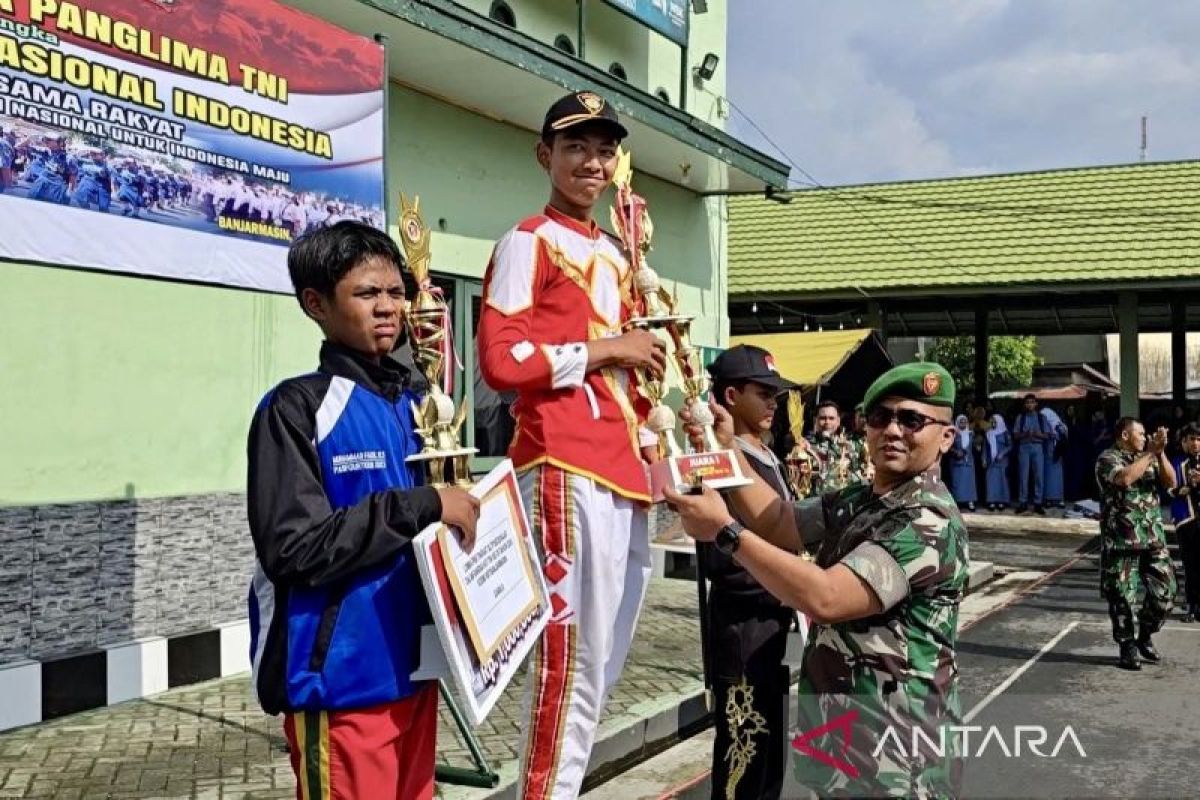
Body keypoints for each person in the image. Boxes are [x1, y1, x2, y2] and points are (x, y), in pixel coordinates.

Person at [245, 222, 481, 799]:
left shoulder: (420, 405)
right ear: (316, 304)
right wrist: (424, 504)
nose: (389, 308)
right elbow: (294, 550)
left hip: (418, 671)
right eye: (367, 294)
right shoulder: (295, 409)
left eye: (396, 292)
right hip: (342, 681)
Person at [477, 90, 667, 800]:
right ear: (545, 156)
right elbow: (500, 361)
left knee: (606, 662)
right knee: (569, 661)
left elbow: (635, 368)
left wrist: (654, 430)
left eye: (604, 148)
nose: (593, 160)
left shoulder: (618, 255)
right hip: (561, 461)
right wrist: (605, 346)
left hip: (623, 469)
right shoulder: (528, 241)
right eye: (576, 146)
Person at [665, 362, 968, 797]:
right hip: (844, 736)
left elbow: (826, 597)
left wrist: (726, 533)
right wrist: (727, 450)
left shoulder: (927, 520)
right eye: (881, 418)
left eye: (912, 420)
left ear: (946, 436)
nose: (893, 431)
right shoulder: (862, 500)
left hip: (899, 756)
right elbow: (780, 520)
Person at [700, 345, 802, 800]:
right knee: (742, 758)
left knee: (768, 759)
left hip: (770, 627)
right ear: (731, 395)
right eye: (763, 393)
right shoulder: (714, 462)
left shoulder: (763, 455)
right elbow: (720, 557)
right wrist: (788, 581)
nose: (772, 404)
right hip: (743, 626)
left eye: (776, 395)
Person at [1095, 417, 1176, 670]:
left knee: (1166, 594)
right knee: (1122, 600)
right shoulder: (1108, 458)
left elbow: (1171, 482)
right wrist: (1150, 454)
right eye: (1140, 434)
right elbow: (1124, 480)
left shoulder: (1149, 457)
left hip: (1152, 539)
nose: (1145, 437)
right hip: (1122, 541)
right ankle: (1127, 646)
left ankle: (1145, 635)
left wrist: (1159, 454)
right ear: (1125, 436)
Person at [1169, 423, 1200, 622]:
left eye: (1198, 439)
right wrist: (1184, 487)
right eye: (1191, 439)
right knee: (1190, 565)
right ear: (1183, 442)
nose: (1196, 443)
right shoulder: (1176, 463)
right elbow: (1168, 488)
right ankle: (1191, 605)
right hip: (1186, 519)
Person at [1012, 393, 1049, 514]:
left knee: (1039, 476)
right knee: (1023, 475)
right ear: (1024, 404)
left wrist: (1038, 435)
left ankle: (1038, 503)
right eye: (1027, 402)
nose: (1030, 404)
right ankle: (1023, 502)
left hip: (1037, 447)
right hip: (1024, 447)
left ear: (1036, 404)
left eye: (1032, 402)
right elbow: (1015, 435)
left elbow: (1047, 435)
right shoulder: (1020, 418)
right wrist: (1025, 434)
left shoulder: (1041, 417)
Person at [808, 400, 852, 495]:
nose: (827, 422)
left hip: (843, 503)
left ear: (838, 421)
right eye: (823, 418)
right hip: (815, 504)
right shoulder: (806, 447)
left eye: (831, 418)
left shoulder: (847, 447)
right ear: (815, 420)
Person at [946, 414, 978, 511]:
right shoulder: (954, 434)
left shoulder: (971, 434)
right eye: (961, 421)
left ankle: (970, 502)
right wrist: (956, 452)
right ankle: (958, 502)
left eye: (964, 421)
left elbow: (975, 446)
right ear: (957, 423)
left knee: (969, 483)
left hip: (968, 462)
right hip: (957, 463)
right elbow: (948, 446)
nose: (963, 423)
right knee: (957, 483)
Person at [1040, 405, 1069, 509]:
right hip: (1046, 452)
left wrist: (1056, 435)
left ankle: (1059, 499)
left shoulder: (1060, 424)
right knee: (1046, 475)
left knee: (1058, 477)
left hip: (1057, 454)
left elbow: (1065, 436)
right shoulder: (1044, 422)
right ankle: (1048, 499)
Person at [985, 413, 1012, 511]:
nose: (993, 423)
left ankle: (1002, 501)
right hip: (991, 462)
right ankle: (991, 501)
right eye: (992, 421)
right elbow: (985, 447)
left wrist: (1002, 453)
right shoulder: (988, 433)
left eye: (995, 421)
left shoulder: (1005, 433)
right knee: (991, 481)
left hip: (1002, 461)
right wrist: (983, 459)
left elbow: (1010, 446)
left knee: (1002, 481)